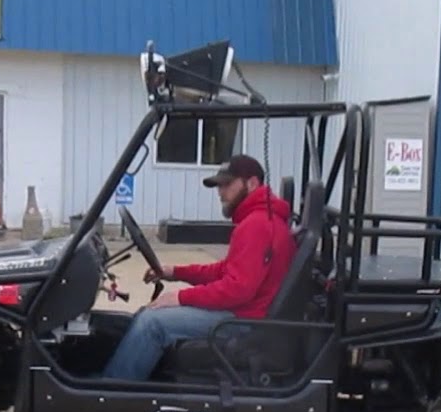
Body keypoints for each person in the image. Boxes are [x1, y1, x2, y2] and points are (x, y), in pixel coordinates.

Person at [101, 154, 297, 381]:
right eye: (219, 186)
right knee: (151, 313)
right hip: (246, 313)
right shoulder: (260, 220)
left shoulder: (258, 225)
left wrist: (181, 297)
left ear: (251, 183)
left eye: (227, 184)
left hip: (244, 321)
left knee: (152, 323)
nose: (220, 192)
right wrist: (175, 272)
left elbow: (237, 289)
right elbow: (225, 271)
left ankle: (111, 392)